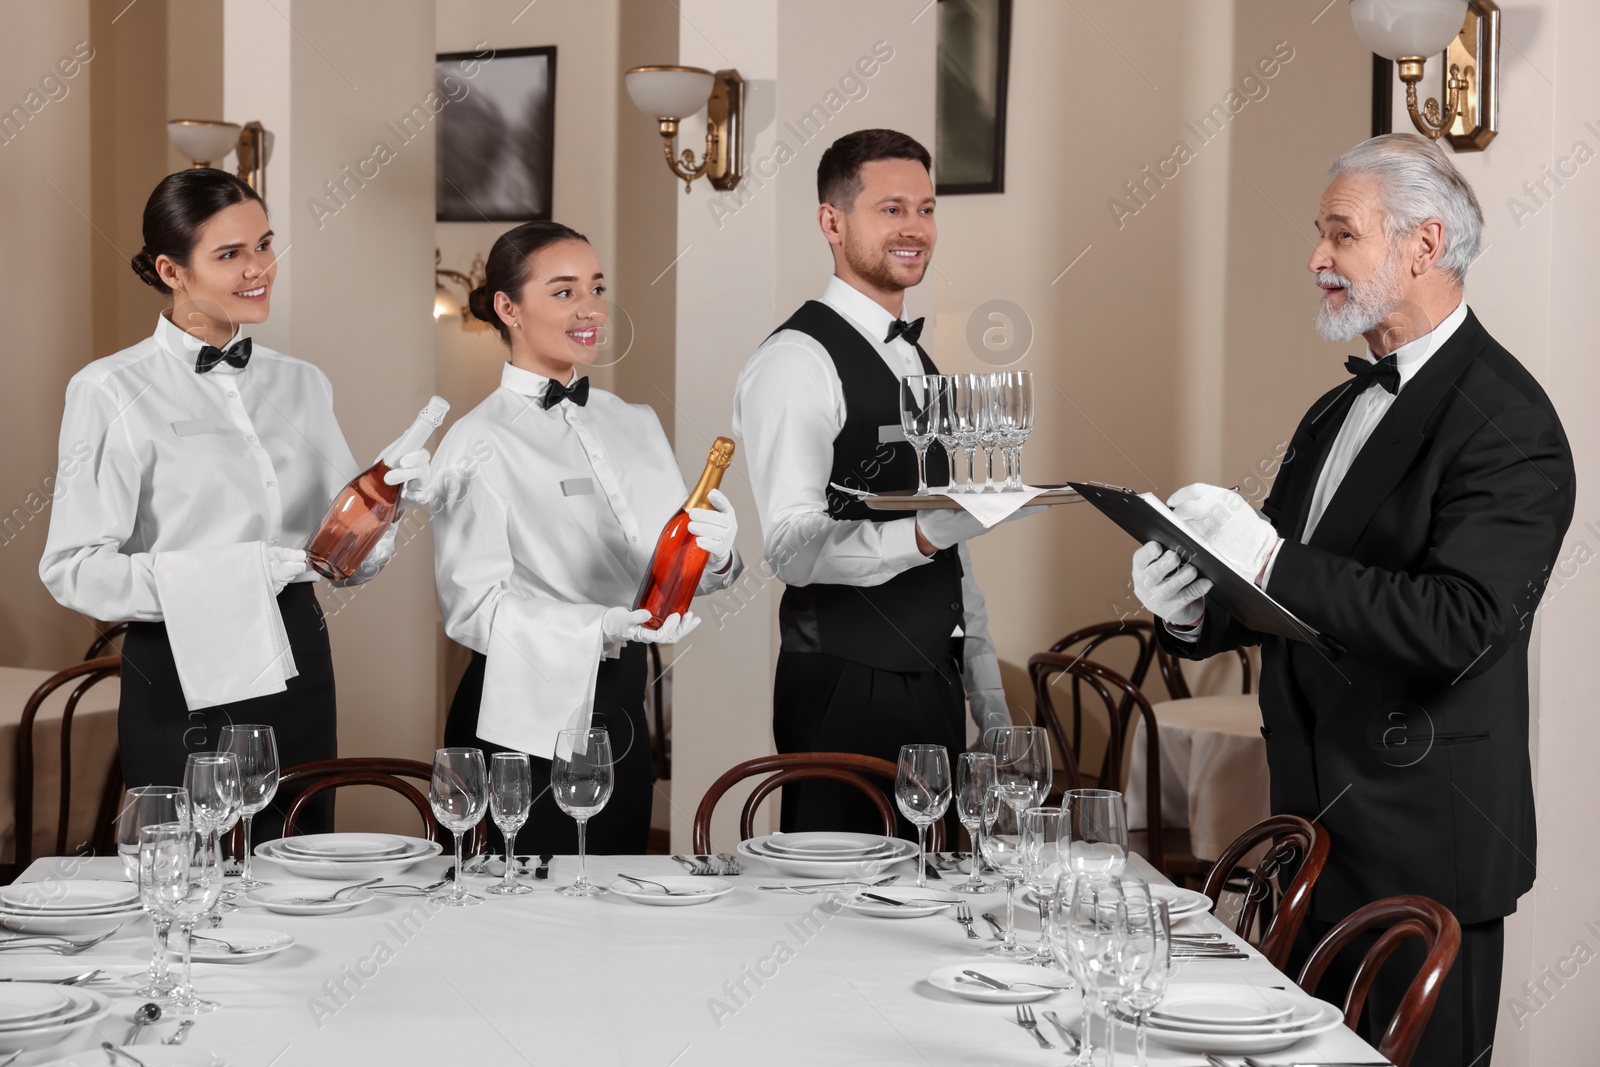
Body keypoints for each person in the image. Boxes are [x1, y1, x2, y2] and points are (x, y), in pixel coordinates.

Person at [1132, 134, 1574, 1067]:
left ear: (1423, 244)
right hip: (1309, 842)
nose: (1315, 259)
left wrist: (1267, 554)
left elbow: (1459, 628)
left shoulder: (1512, 422)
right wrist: (1189, 605)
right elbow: (1279, 597)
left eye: (1340, 234)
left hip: (1424, 859)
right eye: (1318, 234)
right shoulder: (1334, 411)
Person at [39, 168, 431, 838]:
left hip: (298, 651)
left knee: (299, 864)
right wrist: (248, 568)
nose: (260, 269)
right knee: (194, 877)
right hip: (181, 665)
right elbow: (73, 567)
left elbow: (333, 555)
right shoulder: (109, 388)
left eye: (265, 244)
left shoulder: (303, 384)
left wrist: (385, 514)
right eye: (230, 254)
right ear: (171, 269)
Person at [732, 129, 1040, 835]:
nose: (915, 229)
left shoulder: (914, 357)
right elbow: (792, 547)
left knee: (927, 899)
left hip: (931, 676)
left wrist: (985, 694)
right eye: (891, 208)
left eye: (927, 209)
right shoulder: (796, 361)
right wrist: (927, 533)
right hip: (844, 682)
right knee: (842, 906)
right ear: (832, 221)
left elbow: (953, 549)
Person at [432, 220, 742, 856]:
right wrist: (600, 626)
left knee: (613, 897)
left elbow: (663, 572)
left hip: (624, 696)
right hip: (522, 702)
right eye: (564, 291)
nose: (591, 309)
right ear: (507, 307)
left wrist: (721, 556)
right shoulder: (475, 441)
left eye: (597, 288)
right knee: (524, 903)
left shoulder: (637, 422)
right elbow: (472, 611)